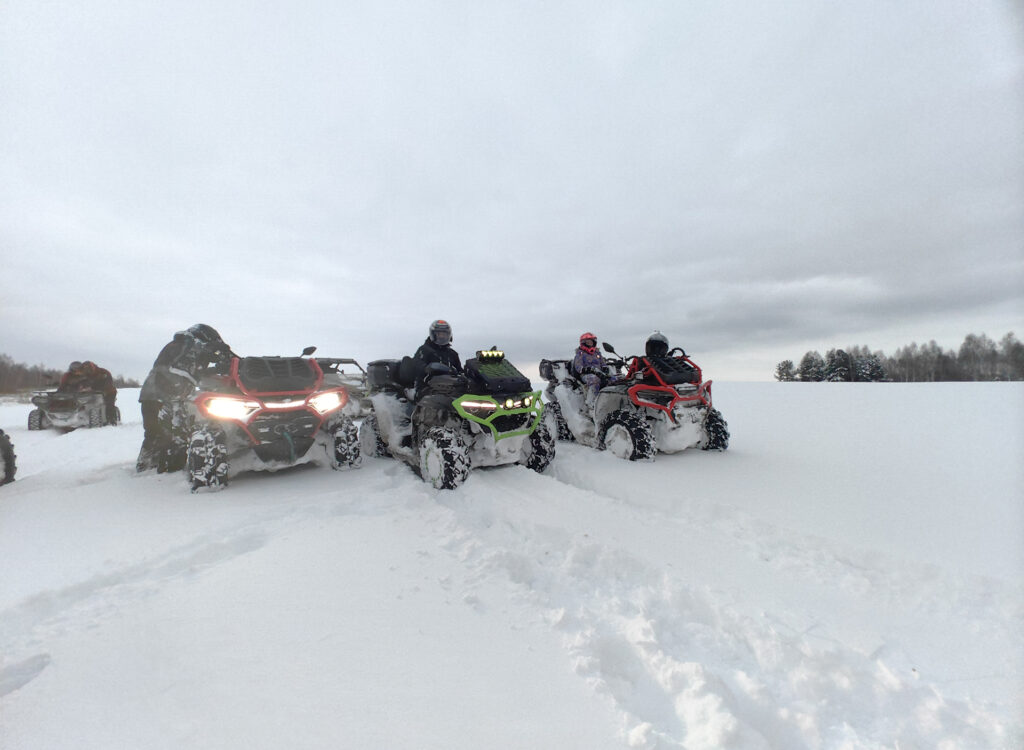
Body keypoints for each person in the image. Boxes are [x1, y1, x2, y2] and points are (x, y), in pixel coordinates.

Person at [136, 324, 233, 473]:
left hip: (167, 397)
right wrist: (211, 352)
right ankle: (152, 469)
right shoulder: (181, 345)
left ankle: (159, 467)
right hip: (157, 396)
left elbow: (196, 373)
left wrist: (219, 365)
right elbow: (168, 368)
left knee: (169, 434)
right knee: (159, 433)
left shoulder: (192, 352)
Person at [58, 360, 118, 425]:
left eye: (88, 370)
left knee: (109, 405)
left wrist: (91, 388)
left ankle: (112, 421)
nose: (87, 372)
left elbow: (107, 384)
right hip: (95, 393)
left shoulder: (104, 373)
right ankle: (83, 416)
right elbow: (84, 382)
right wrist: (82, 387)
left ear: (92, 368)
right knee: (88, 403)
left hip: (109, 392)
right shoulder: (88, 375)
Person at [412, 320, 463, 389]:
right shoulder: (424, 350)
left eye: (444, 334)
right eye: (439, 334)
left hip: (450, 387)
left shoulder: (453, 354)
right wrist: (427, 368)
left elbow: (460, 371)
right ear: (433, 334)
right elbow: (417, 364)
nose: (442, 337)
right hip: (427, 386)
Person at [572, 332, 606, 410]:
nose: (590, 344)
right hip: (586, 375)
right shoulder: (580, 354)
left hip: (599, 373)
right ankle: (591, 402)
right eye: (588, 342)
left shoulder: (597, 353)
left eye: (591, 342)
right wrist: (587, 369)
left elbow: (603, 363)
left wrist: (605, 368)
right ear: (583, 343)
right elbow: (578, 367)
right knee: (595, 380)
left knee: (614, 379)